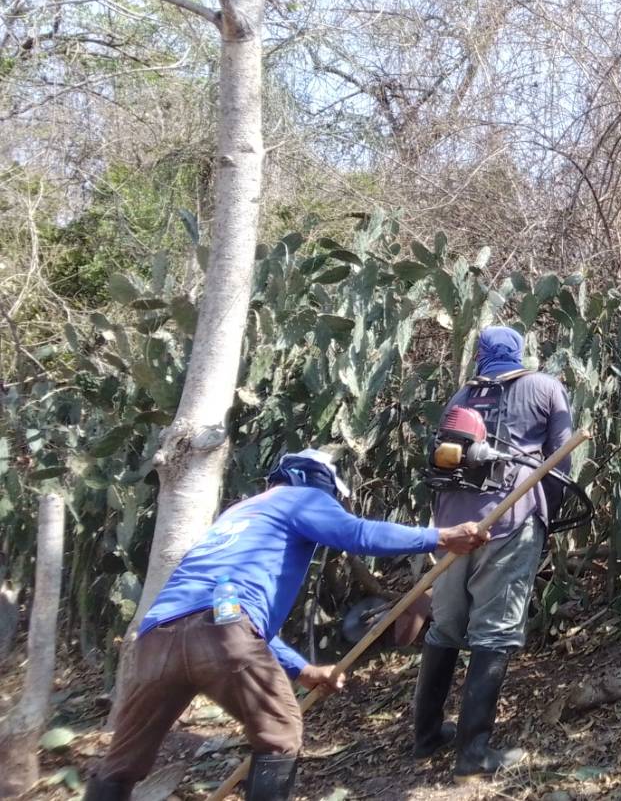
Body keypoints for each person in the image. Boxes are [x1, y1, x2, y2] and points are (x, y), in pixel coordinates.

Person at [85, 449, 487, 801]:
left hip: (157, 639)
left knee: (122, 761)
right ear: (318, 483)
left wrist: (303, 670)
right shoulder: (302, 499)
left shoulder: (239, 513)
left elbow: (233, 614)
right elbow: (358, 534)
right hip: (223, 631)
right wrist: (440, 537)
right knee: (279, 736)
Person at [413, 325, 572, 778]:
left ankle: (426, 737)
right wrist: (547, 518)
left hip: (450, 528)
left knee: (445, 626)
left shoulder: (461, 395)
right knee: (496, 632)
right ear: (520, 351)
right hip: (509, 520)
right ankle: (473, 754)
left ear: (480, 354)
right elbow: (561, 459)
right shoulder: (545, 387)